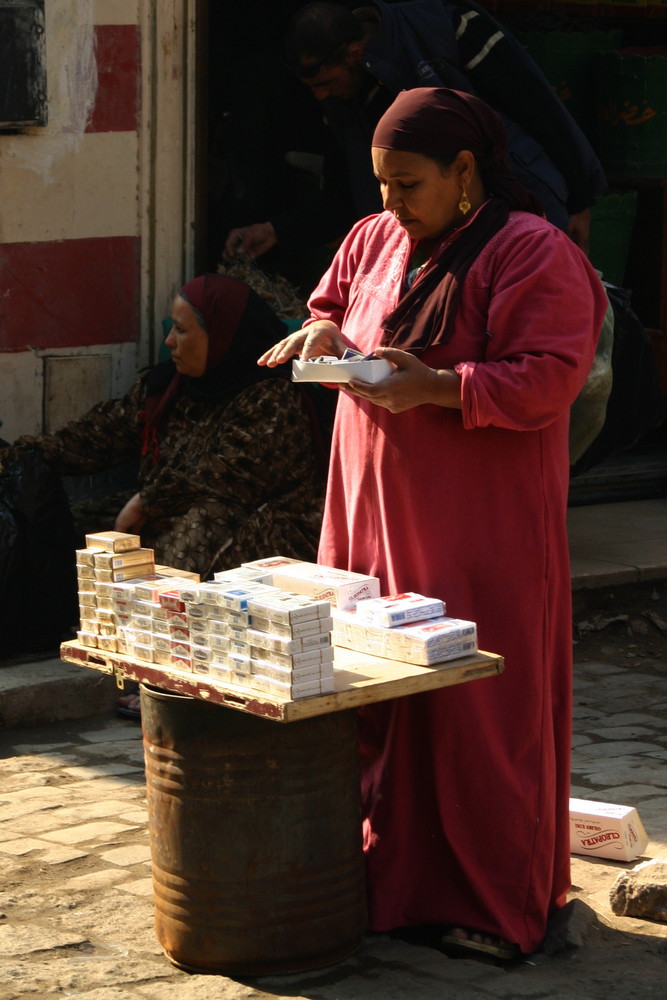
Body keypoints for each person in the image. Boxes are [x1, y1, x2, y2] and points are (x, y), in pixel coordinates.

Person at [258, 87, 609, 958]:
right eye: (379, 184)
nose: (389, 203)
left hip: (477, 526)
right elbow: (332, 306)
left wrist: (438, 386)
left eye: (406, 184)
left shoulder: (534, 254)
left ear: (464, 173)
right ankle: (390, 886)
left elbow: (549, 377)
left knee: (475, 709)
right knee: (377, 694)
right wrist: (319, 333)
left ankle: (495, 906)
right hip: (369, 510)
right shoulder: (374, 237)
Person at [1, 273, 329, 681]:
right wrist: (19, 453)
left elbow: (227, 476)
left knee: (199, 525)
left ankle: (165, 665)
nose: (170, 342)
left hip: (258, 526)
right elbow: (97, 437)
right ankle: (95, 632)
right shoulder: (168, 388)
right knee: (76, 530)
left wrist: (147, 502)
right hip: (170, 509)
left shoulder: (272, 396)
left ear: (224, 336)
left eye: (182, 331)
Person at [224, 0, 606, 266]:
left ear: (355, 53)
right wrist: (275, 231)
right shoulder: (342, 104)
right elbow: (342, 193)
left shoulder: (446, 29)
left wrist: (578, 196)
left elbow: (537, 104)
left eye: (324, 82)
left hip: (523, 209)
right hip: (442, 247)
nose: (319, 95)